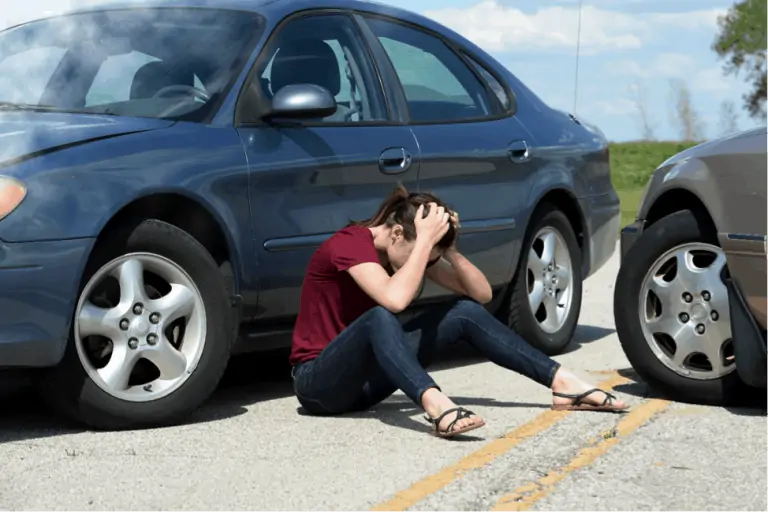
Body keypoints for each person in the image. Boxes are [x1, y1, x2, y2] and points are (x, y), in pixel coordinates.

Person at [289, 185, 629, 438]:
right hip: (319, 385)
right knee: (380, 317)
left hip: (364, 386)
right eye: (421, 249)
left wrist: (447, 249)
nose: (424, 262)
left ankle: (562, 382)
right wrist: (423, 243)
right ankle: (436, 404)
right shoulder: (349, 244)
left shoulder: (406, 250)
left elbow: (479, 294)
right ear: (395, 233)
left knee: (462, 311)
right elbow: (393, 301)